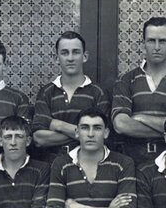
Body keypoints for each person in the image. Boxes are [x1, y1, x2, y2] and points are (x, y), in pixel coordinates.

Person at [111, 16, 166, 166]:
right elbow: (121, 125)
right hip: (132, 162)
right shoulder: (126, 80)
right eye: (151, 40)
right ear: (143, 43)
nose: (157, 47)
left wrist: (140, 117)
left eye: (162, 41)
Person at [31, 31, 112, 163]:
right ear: (57, 58)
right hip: (52, 165)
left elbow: (102, 136)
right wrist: (85, 133)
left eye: (75, 52)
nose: (70, 58)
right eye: (64, 53)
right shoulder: (46, 92)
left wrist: (58, 125)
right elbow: (39, 138)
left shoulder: (99, 93)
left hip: (87, 165)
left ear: (85, 56)